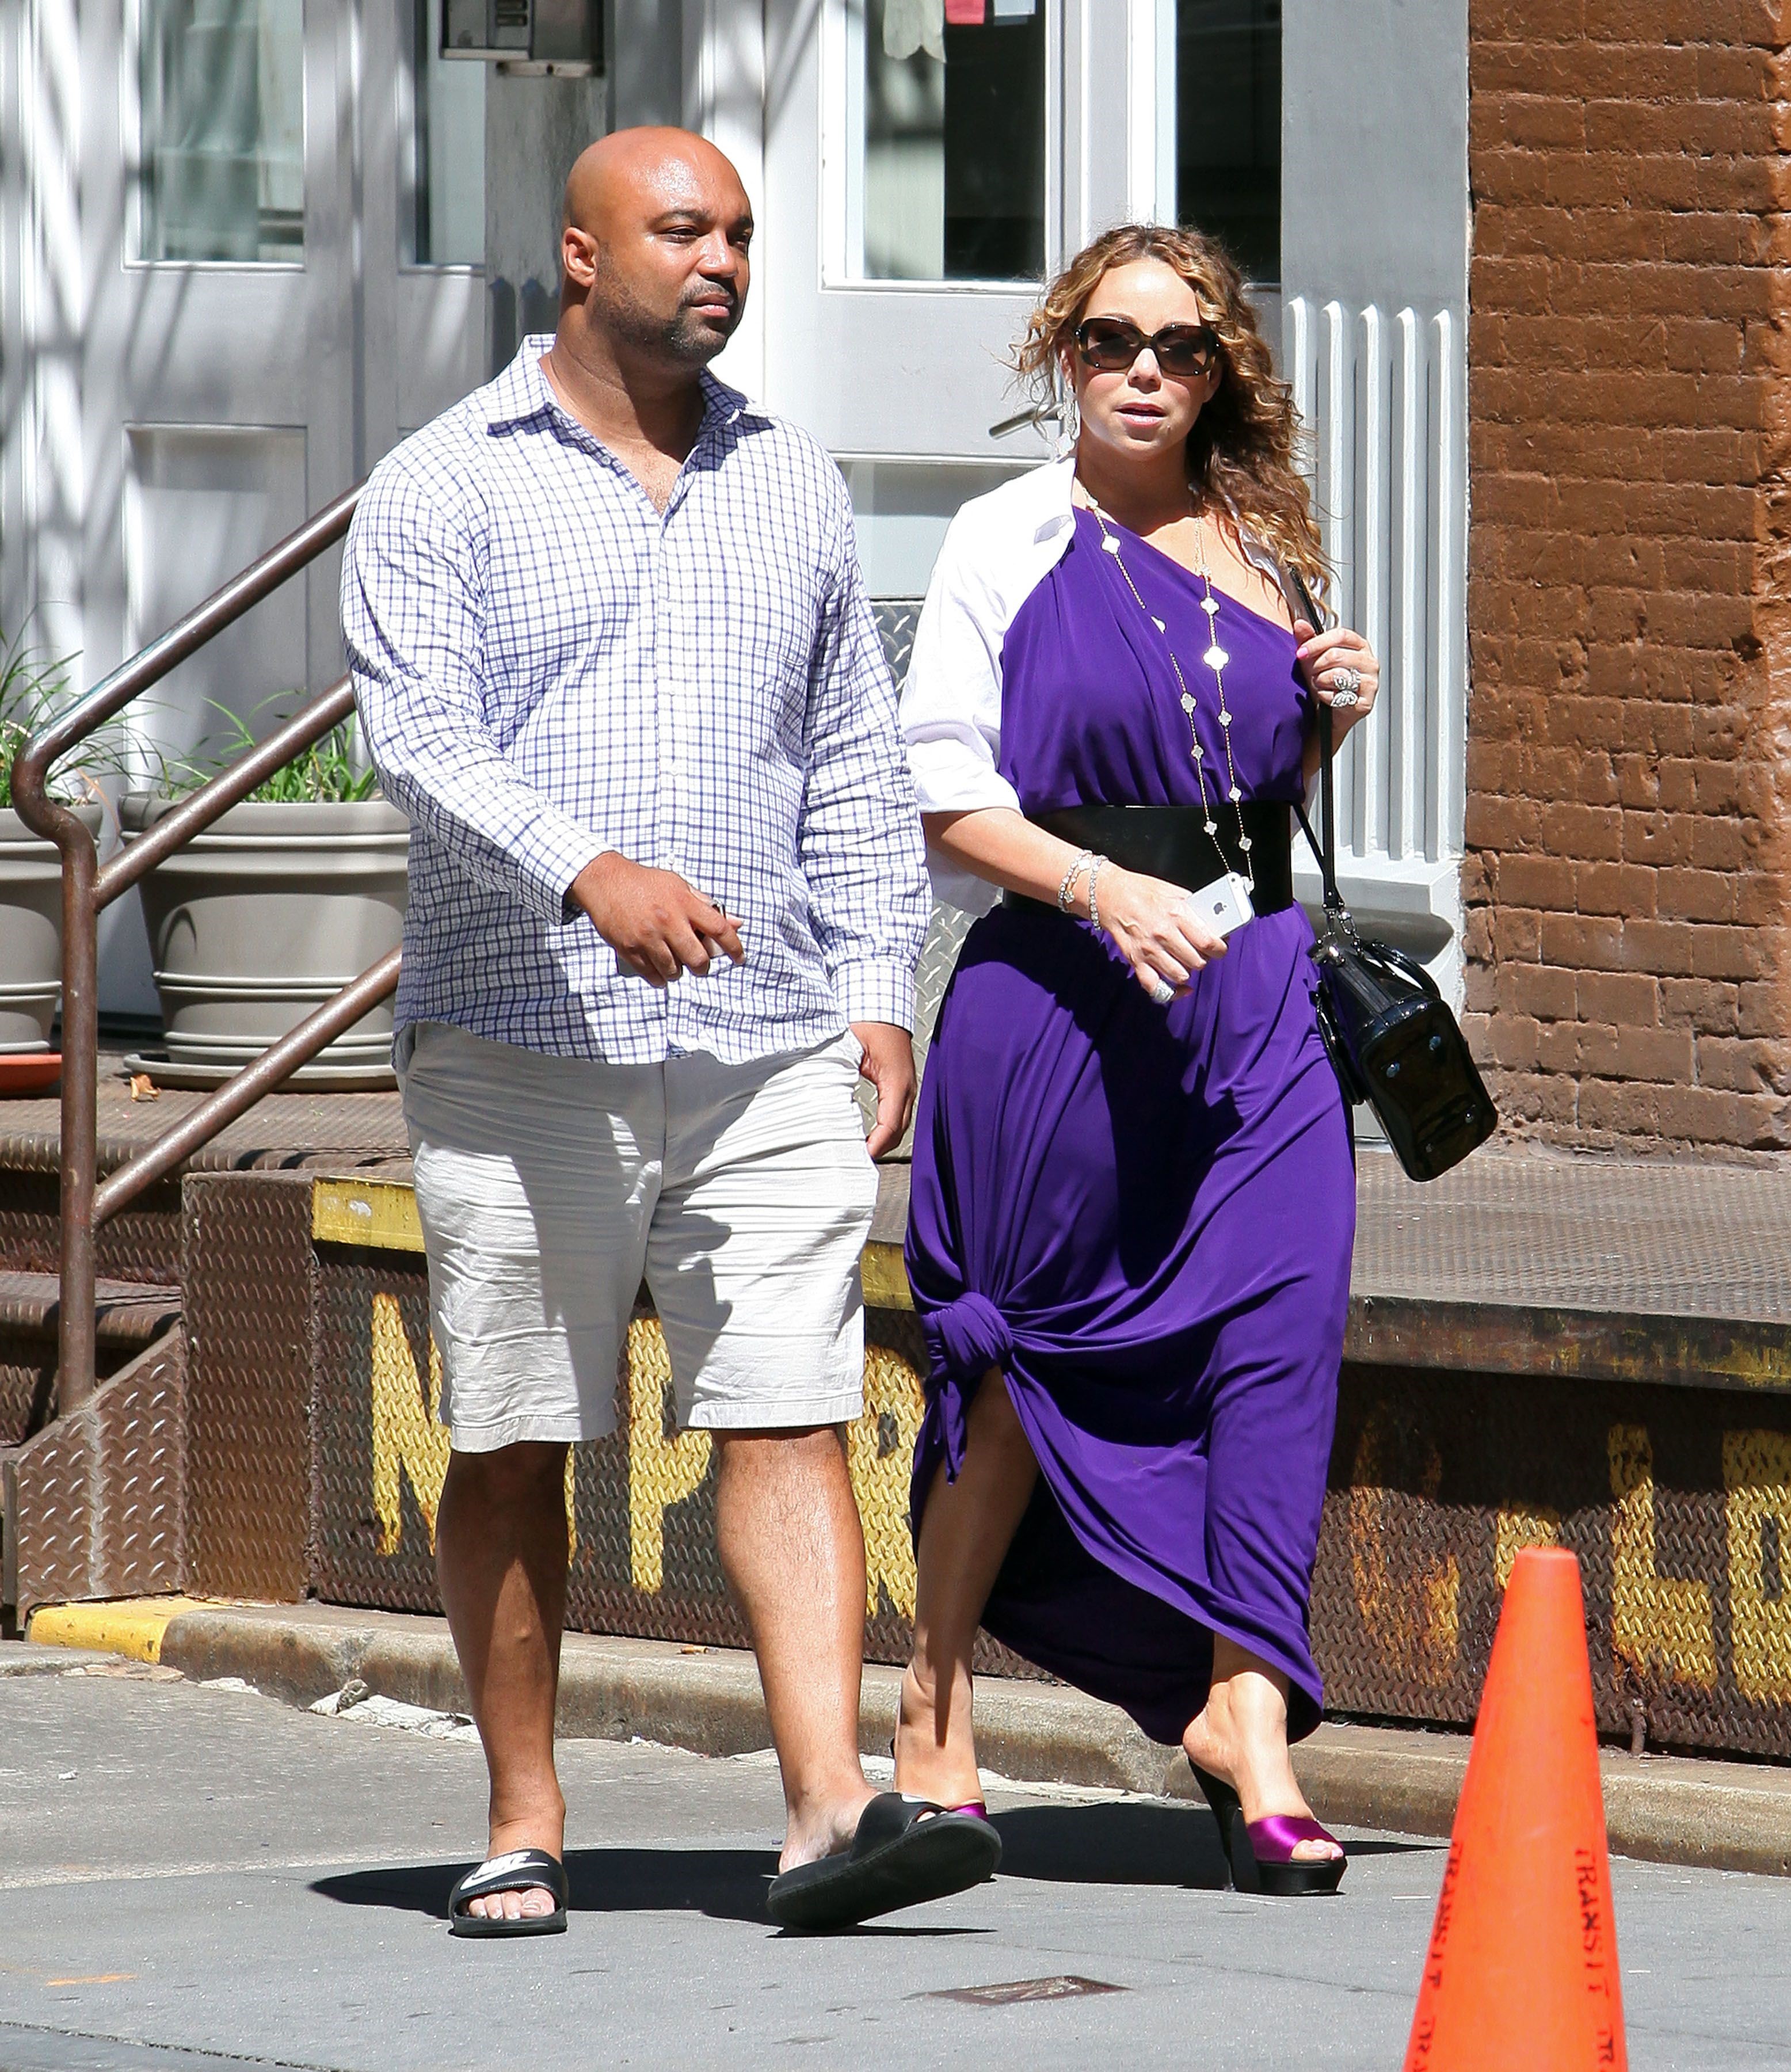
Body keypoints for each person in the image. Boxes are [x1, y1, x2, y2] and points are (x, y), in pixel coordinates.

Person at [343, 125, 1000, 1936]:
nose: (719, 260)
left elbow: (854, 764)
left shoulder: (792, 481)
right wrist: (588, 873)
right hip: (517, 1037)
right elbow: (423, 740)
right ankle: (526, 1816)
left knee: (788, 1412)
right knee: (517, 1433)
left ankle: (826, 1812)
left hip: (772, 1033)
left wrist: (880, 988)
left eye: (741, 235)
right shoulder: (442, 484)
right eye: (680, 229)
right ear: (578, 251)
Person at [892, 222, 1381, 1896]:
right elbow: (945, 799)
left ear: (1222, 366)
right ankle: (933, 1703)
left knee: (1282, 1340)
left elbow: (1247, 796)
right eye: (1112, 344)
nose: (1146, 374)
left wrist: (1331, 713)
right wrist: (1103, 888)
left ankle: (1247, 1715)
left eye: (1181, 348)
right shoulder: (1007, 537)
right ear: (1063, 356)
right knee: (1023, 1356)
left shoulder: (1266, 543)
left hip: (1253, 1008)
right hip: (1060, 998)